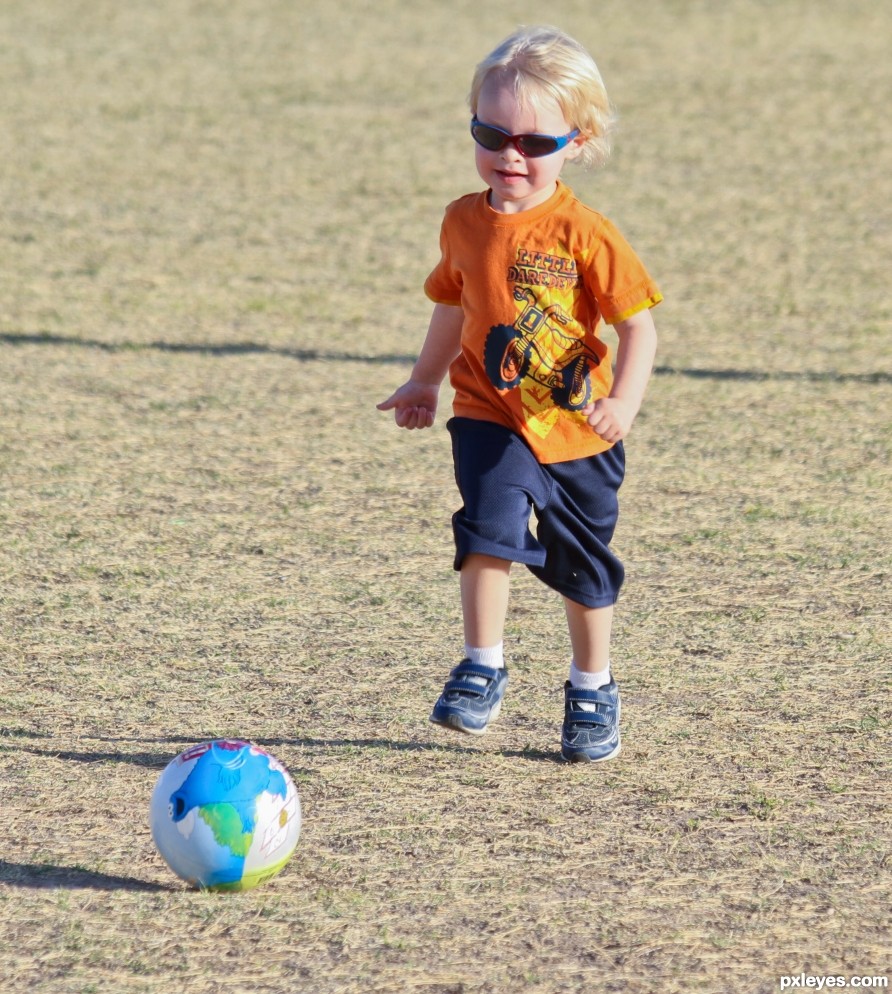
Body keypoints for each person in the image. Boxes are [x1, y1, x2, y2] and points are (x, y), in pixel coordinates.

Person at [377, 25, 661, 762]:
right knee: (488, 529)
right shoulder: (462, 222)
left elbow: (641, 331)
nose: (511, 154)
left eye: (535, 143)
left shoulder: (586, 233)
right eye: (491, 133)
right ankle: (482, 665)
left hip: (576, 432)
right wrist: (424, 378)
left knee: (583, 565)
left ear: (578, 140)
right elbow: (451, 303)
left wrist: (622, 405)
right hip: (489, 412)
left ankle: (592, 686)